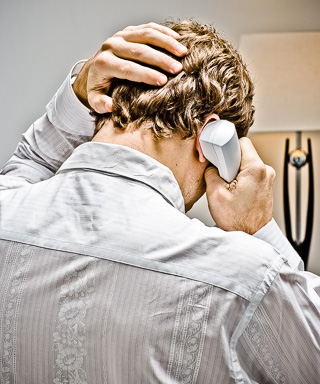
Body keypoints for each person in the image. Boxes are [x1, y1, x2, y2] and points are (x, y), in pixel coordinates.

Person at [0, 20, 319, 384]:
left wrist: (77, 90)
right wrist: (257, 229)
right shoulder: (247, 279)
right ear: (213, 138)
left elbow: (29, 162)